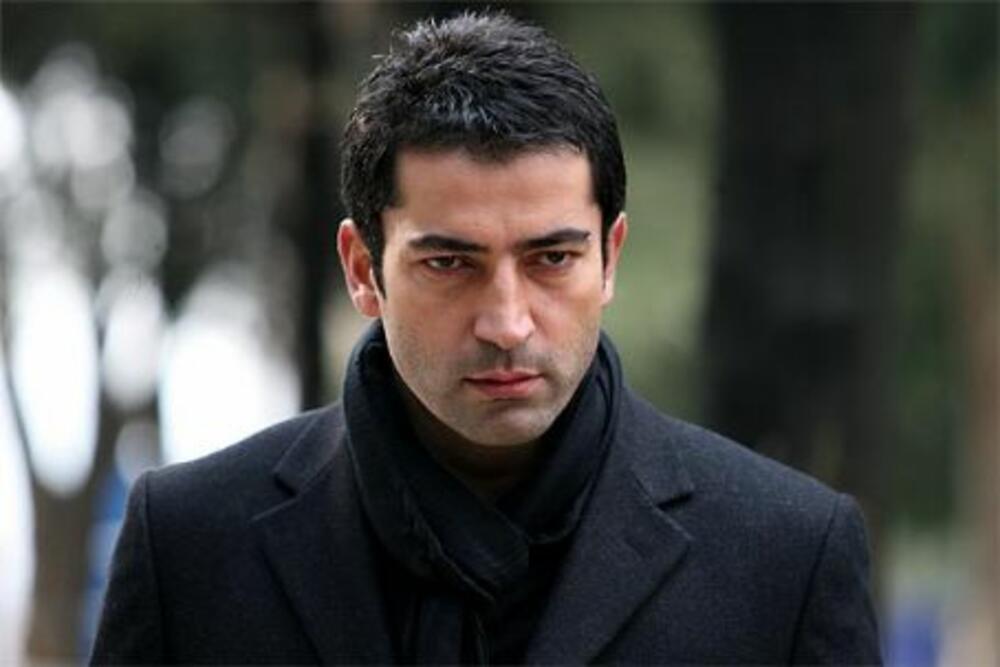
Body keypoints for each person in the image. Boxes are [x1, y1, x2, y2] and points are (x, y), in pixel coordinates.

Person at [91, 11, 881, 665]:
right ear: (363, 269)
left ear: (609, 259)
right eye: (449, 263)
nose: (507, 322)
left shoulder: (786, 556)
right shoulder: (191, 546)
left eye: (552, 258)